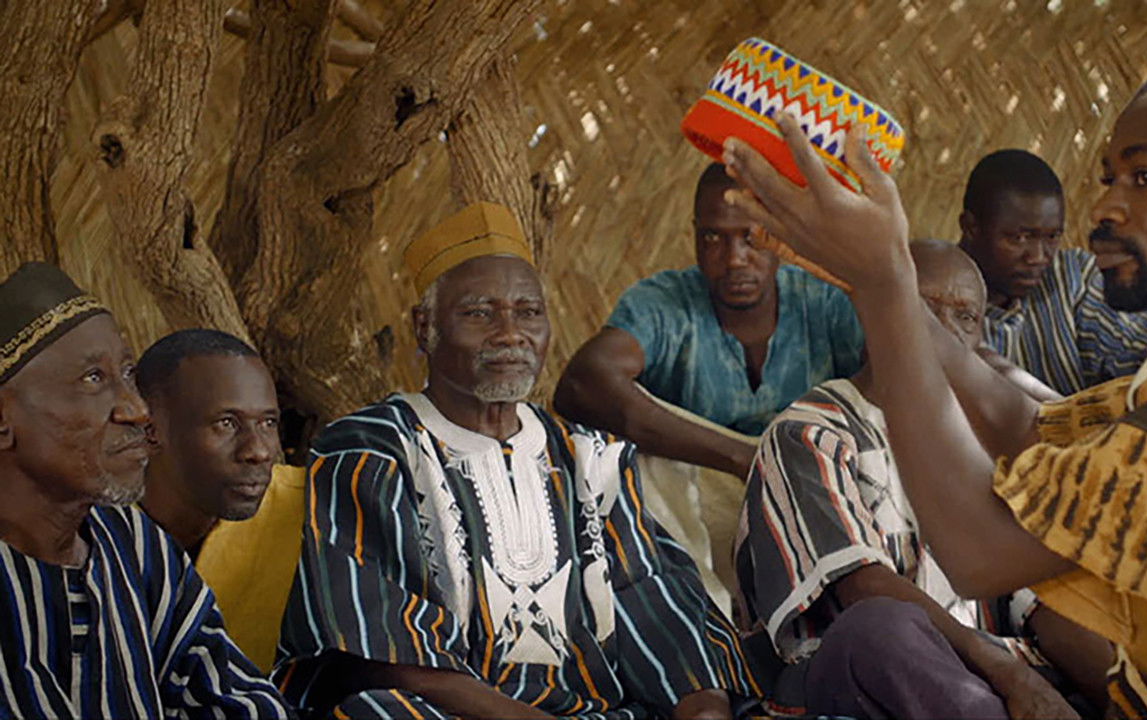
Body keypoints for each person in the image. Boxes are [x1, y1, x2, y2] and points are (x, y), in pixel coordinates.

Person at [723, 56, 1147, 718]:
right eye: (1109, 178)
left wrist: (886, 287)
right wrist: (884, 282)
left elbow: (982, 552)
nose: (1104, 206)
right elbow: (1035, 432)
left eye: (1146, 177)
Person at [274, 202, 758, 719]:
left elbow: (655, 604)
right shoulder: (374, 449)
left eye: (528, 312)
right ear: (424, 327)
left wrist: (702, 708)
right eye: (479, 314)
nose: (510, 333)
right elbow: (381, 649)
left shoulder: (588, 459)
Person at [736, 240, 1109, 718]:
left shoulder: (986, 446)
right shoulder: (811, 432)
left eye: (965, 317)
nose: (945, 332)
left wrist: (1129, 692)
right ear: (875, 315)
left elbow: (1038, 598)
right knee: (877, 627)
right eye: (925, 310)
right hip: (861, 670)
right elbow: (862, 589)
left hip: (985, 674)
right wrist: (1010, 675)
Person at [555, 163, 863, 608]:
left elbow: (889, 389)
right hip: (699, 524)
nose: (734, 258)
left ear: (779, 234)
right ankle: (704, 617)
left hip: (814, 498)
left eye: (751, 237)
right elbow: (583, 383)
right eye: (714, 238)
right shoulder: (663, 304)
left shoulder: (823, 301)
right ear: (695, 235)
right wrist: (741, 458)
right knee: (645, 461)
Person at [0, 262, 292, 717]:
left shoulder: (133, 545)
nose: (136, 409)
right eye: (93, 379)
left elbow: (235, 698)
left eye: (128, 374)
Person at [137, 328, 306, 672]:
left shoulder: (309, 508)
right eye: (227, 423)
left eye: (268, 423)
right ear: (150, 429)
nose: (259, 451)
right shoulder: (83, 534)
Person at [959, 149, 1147, 395]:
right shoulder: (938, 305)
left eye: (1052, 237)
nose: (1038, 257)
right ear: (971, 227)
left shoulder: (1073, 279)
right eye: (1019, 238)